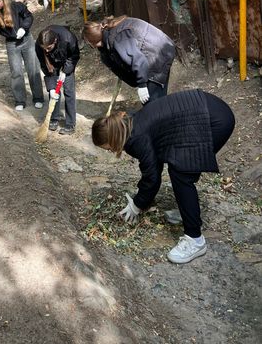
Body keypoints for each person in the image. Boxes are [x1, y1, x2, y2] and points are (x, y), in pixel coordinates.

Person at [91, 89, 235, 264]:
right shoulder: (129, 122)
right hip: (210, 107)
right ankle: (188, 211)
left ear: (113, 139)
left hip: (214, 120)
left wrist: (137, 204)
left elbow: (152, 177)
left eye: (108, 148)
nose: (110, 151)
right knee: (183, 166)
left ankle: (195, 240)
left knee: (181, 173)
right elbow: (156, 161)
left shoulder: (135, 138)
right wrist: (142, 201)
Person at [82, 16, 176, 104]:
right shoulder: (108, 36)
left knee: (153, 104)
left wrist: (142, 85)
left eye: (88, 43)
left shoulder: (117, 38)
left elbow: (138, 60)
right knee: (156, 102)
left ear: (92, 41)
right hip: (156, 51)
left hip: (157, 53)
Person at [35, 25, 80, 135]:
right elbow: (44, 65)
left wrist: (65, 71)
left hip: (67, 59)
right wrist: (51, 86)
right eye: (44, 48)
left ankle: (70, 124)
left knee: (69, 91)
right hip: (51, 64)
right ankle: (54, 118)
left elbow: (74, 56)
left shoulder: (68, 38)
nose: (46, 50)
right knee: (54, 92)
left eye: (49, 48)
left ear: (55, 41)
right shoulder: (39, 45)